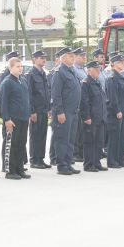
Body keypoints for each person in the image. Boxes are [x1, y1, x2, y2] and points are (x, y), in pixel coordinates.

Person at [0, 57, 32, 180]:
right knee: (11, 145)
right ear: (10, 68)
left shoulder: (23, 80)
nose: (20, 68)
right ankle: (10, 171)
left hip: (23, 118)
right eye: (17, 66)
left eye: (21, 66)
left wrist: (28, 114)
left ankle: (19, 169)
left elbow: (26, 99)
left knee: (21, 144)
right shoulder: (7, 82)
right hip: (13, 119)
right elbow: (3, 102)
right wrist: (6, 119)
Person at [51, 47, 82, 176]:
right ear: (63, 58)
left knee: (70, 139)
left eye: (73, 56)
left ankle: (68, 163)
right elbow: (56, 94)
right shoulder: (59, 72)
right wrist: (59, 112)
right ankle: (61, 165)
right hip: (64, 112)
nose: (73, 58)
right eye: (70, 56)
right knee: (62, 139)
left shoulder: (71, 70)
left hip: (73, 111)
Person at [80, 61, 107, 172]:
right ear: (89, 70)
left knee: (99, 141)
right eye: (96, 70)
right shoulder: (85, 83)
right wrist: (86, 117)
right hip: (91, 118)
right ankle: (89, 164)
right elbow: (84, 102)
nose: (98, 71)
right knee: (90, 141)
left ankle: (97, 162)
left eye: (99, 69)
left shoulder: (97, 82)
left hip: (99, 117)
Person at [104, 54, 124, 169]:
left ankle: (120, 160)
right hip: (115, 113)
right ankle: (112, 161)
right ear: (113, 64)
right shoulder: (111, 78)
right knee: (114, 138)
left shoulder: (122, 77)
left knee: (123, 137)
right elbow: (112, 97)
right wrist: (117, 110)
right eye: (120, 62)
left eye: (122, 62)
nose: (122, 64)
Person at [26, 50, 50, 169]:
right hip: (36, 110)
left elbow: (46, 92)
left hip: (43, 109)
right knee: (35, 135)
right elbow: (29, 94)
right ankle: (34, 160)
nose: (44, 60)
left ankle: (40, 158)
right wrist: (32, 111)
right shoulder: (31, 74)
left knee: (42, 135)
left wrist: (48, 108)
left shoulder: (43, 73)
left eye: (45, 58)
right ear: (35, 59)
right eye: (41, 58)